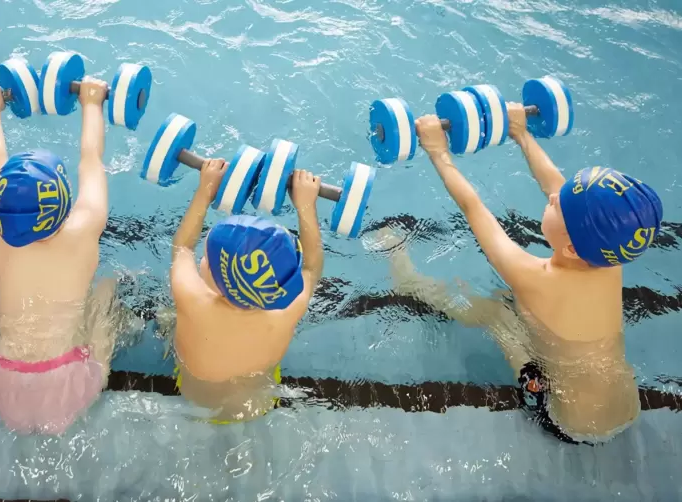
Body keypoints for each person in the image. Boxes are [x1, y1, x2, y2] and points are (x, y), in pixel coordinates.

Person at [375, 103, 663, 445]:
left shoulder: (535, 277)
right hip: (626, 408)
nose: (553, 196)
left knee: (496, 313)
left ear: (571, 247)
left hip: (570, 422)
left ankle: (407, 281)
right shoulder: (610, 257)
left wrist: (438, 152)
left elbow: (474, 208)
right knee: (524, 313)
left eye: (559, 205)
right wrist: (521, 133)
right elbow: (558, 187)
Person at [0, 77, 136, 435]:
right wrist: (92, 103)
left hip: (2, 381)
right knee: (109, 290)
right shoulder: (84, 228)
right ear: (64, 205)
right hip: (68, 381)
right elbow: (91, 160)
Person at [168, 160, 323, 424]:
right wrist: (306, 207)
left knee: (167, 318)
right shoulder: (287, 311)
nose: (201, 262)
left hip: (194, 394)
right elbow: (311, 266)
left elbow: (182, 247)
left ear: (219, 284)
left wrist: (205, 190)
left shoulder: (192, 298)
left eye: (205, 260)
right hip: (259, 400)